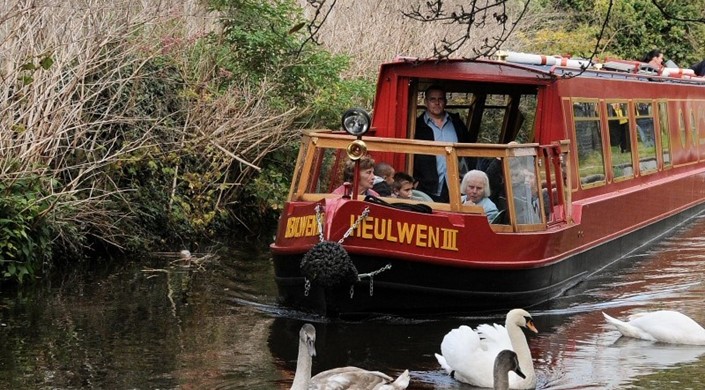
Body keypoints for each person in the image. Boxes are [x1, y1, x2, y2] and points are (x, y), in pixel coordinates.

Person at [413, 85, 471, 203]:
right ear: (426, 102)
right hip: (428, 186)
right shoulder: (417, 126)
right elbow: (411, 155)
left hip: (457, 183)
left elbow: (469, 150)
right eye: (432, 99)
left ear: (445, 101)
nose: (437, 103)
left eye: (440, 99)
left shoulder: (457, 123)